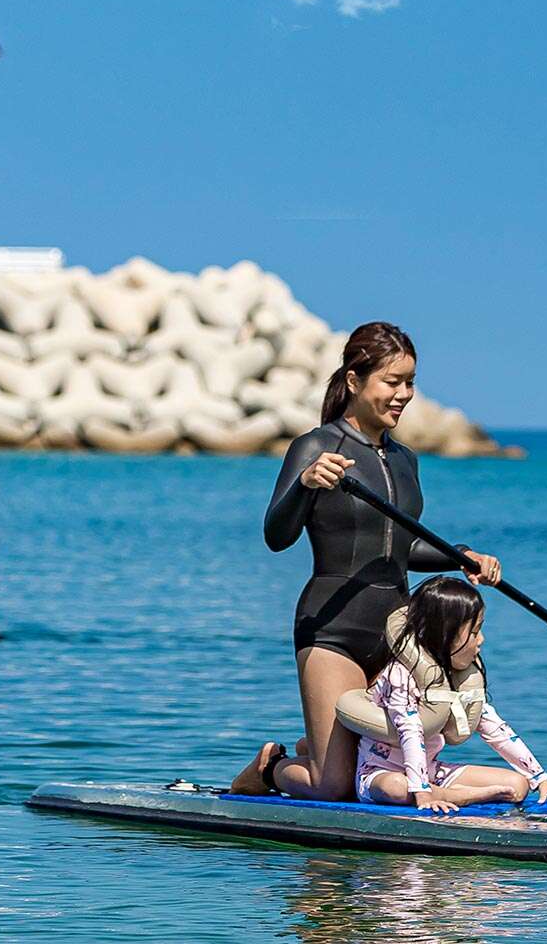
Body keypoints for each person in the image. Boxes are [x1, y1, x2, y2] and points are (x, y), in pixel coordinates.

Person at [231, 321, 504, 800]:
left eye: (410, 382)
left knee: (382, 766)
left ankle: (316, 748)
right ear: (355, 381)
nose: (403, 394)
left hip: (397, 632)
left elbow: (401, 548)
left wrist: (459, 556)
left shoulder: (406, 459)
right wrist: (305, 485)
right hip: (332, 629)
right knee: (334, 785)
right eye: (391, 382)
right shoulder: (316, 447)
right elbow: (277, 535)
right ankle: (272, 768)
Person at [354, 575, 547, 811]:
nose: (481, 640)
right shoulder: (400, 675)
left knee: (517, 785)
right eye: (474, 632)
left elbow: (495, 728)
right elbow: (410, 731)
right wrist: (421, 793)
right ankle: (466, 796)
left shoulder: (456, 676)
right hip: (380, 773)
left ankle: (454, 793)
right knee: (396, 789)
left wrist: (541, 779)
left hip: (431, 771)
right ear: (445, 633)